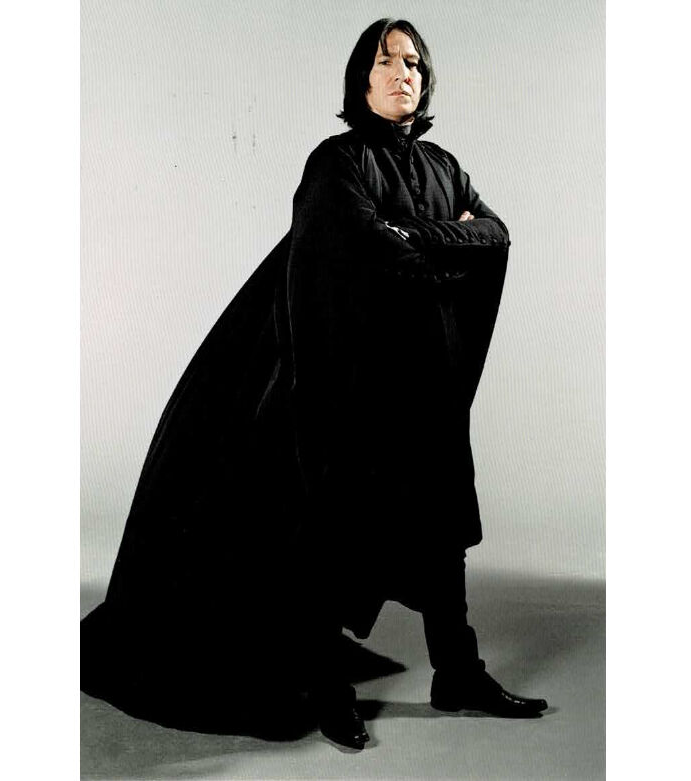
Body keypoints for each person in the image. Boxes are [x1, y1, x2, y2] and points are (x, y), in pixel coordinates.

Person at [80, 18, 548, 751]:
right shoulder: (337, 162)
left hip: (424, 384)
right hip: (348, 383)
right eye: (386, 61)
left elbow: (494, 235)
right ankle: (328, 689)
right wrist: (434, 239)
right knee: (335, 532)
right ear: (361, 79)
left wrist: (412, 235)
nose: (403, 73)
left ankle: (458, 674)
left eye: (414, 63)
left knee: (440, 527)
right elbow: (362, 249)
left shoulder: (446, 166)